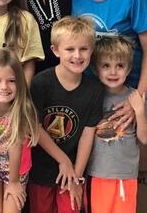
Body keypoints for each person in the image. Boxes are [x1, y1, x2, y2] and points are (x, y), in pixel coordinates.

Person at [29, 16, 104, 213]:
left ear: (92, 50)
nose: (77, 55)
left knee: (70, 208)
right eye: (70, 49)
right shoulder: (40, 83)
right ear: (55, 50)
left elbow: (88, 134)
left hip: (73, 168)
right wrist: (63, 160)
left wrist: (76, 176)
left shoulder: (95, 90)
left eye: (84, 49)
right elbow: (34, 127)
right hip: (42, 168)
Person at [87, 35, 147, 213]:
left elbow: (146, 138)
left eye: (120, 66)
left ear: (129, 68)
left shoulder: (135, 98)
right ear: (95, 69)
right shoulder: (91, 96)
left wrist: (139, 111)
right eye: (106, 66)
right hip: (97, 173)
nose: (113, 72)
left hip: (125, 174)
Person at [0, 49, 39, 213]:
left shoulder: (22, 109)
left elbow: (16, 146)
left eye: (11, 81)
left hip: (16, 170)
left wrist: (13, 182)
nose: (4, 87)